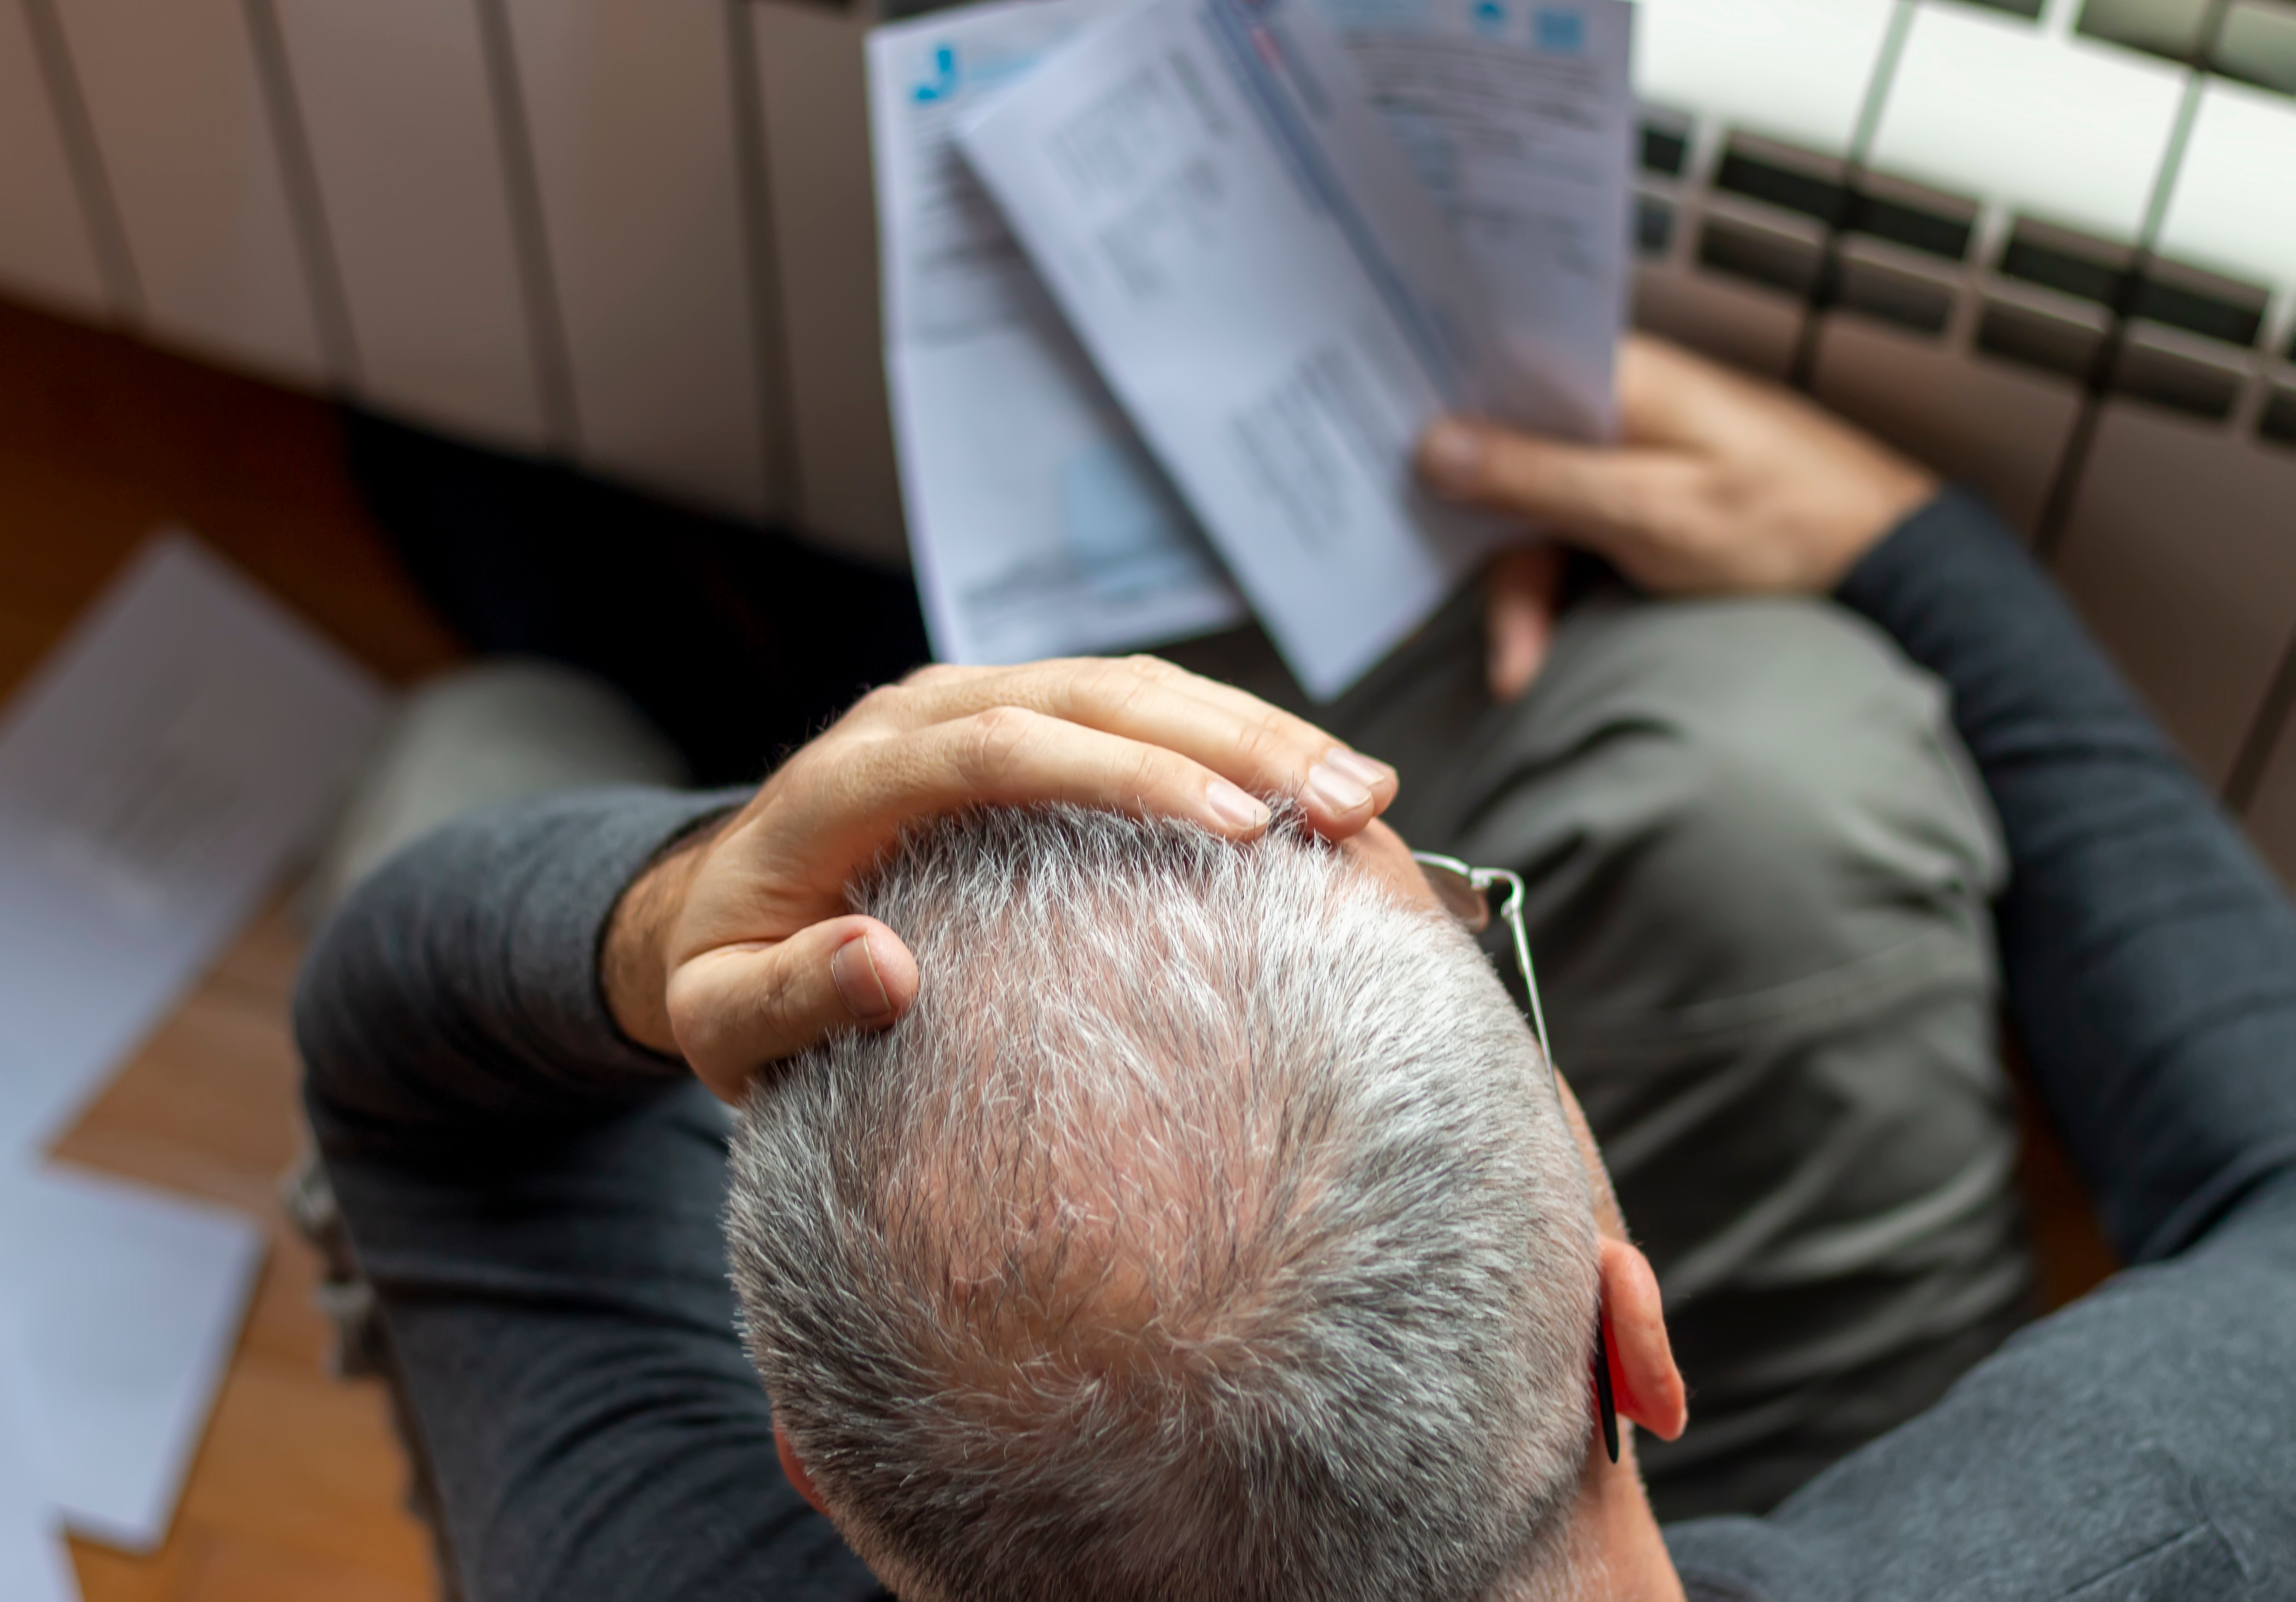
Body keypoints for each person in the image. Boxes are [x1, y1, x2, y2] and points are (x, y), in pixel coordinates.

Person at [294, 336, 2296, 1600]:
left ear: (810, 1475)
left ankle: (666, 680)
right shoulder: (2138, 1541)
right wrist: (1919, 553)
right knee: (1784, 748)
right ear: (1632, 1326)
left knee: (482, 754)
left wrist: (675, 911)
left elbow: (406, 1067)